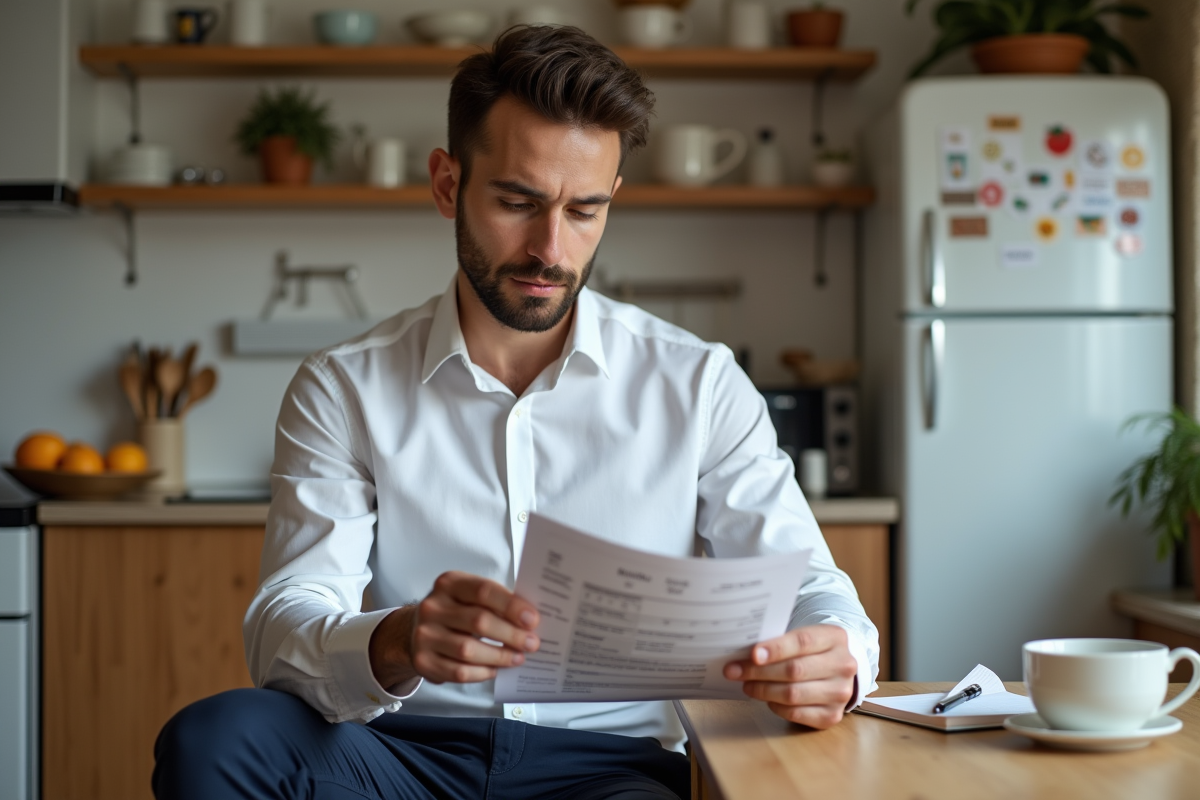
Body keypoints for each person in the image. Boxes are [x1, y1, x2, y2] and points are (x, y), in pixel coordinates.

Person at [153, 25, 879, 800]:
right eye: (517, 202)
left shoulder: (699, 384)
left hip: (608, 770)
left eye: (584, 211)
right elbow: (282, 627)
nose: (550, 249)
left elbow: (809, 585)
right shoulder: (343, 387)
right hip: (397, 757)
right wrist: (396, 642)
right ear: (446, 185)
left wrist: (839, 653)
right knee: (214, 741)